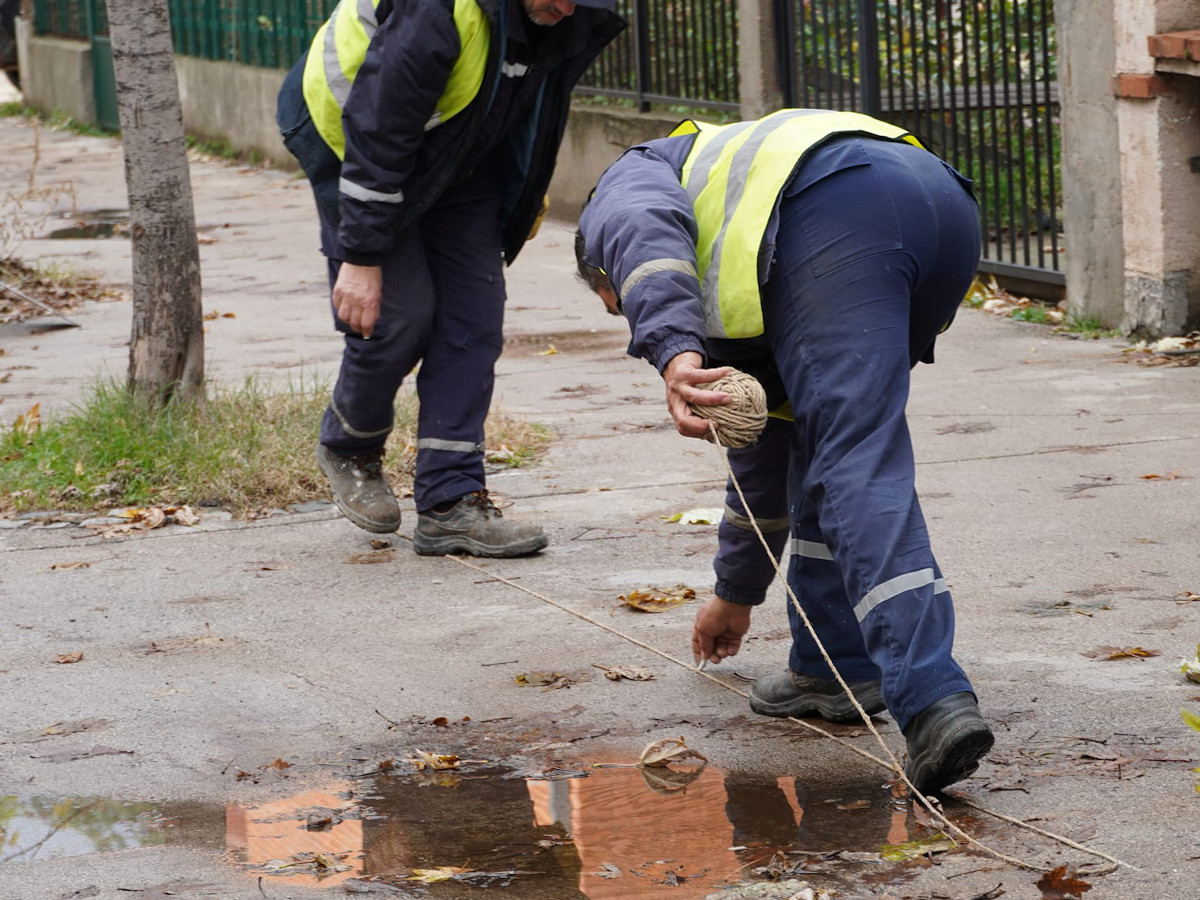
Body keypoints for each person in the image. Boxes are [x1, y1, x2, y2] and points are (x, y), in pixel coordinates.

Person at [574, 108, 994, 794]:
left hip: (837, 213)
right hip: (942, 207)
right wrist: (734, 596)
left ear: (601, 271)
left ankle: (934, 700)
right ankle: (834, 667)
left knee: (856, 461)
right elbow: (764, 466)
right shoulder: (743, 229)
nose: (629, 318)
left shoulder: (627, 184)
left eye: (617, 306)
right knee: (827, 447)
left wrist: (675, 351)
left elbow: (644, 239)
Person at [276, 0, 623, 556]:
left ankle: (450, 503)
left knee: (473, 320)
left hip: (457, 158)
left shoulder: (566, 15)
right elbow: (380, 126)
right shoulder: (439, 10)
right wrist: (361, 258)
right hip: (354, 142)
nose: (567, 7)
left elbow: (521, 110)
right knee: (398, 315)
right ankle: (351, 447)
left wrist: (522, 195)